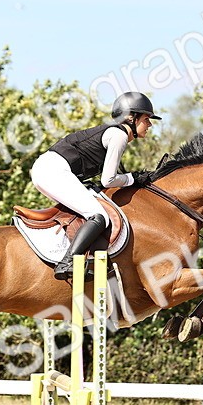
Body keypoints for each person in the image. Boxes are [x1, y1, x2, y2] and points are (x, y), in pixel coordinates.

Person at [30, 91, 160, 280]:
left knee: (90, 208)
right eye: (147, 119)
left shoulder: (116, 133)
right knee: (99, 215)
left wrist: (132, 178)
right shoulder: (119, 135)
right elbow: (109, 180)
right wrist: (133, 179)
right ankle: (68, 262)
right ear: (131, 117)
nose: (150, 124)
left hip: (50, 170)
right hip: (53, 171)